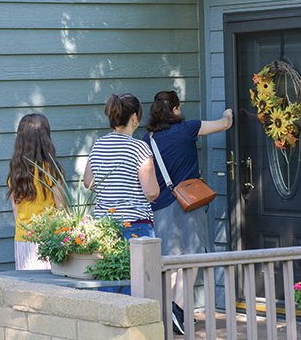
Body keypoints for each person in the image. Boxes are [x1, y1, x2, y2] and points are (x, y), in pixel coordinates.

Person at [143, 90, 233, 335]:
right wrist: (229, 111)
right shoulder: (188, 128)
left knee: (170, 260)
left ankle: (168, 311)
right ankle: (179, 308)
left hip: (160, 205)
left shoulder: (147, 139)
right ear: (174, 110)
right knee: (193, 257)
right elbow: (224, 125)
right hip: (188, 203)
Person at [84, 93, 160, 240]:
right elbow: (151, 192)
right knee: (140, 264)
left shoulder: (98, 145)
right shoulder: (139, 148)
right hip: (135, 225)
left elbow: (88, 182)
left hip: (104, 226)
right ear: (134, 117)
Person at [6, 113, 63, 270]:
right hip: (48, 238)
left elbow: (15, 208)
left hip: (23, 237)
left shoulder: (16, 171)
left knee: (27, 286)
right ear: (46, 139)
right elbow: (61, 208)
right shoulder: (51, 170)